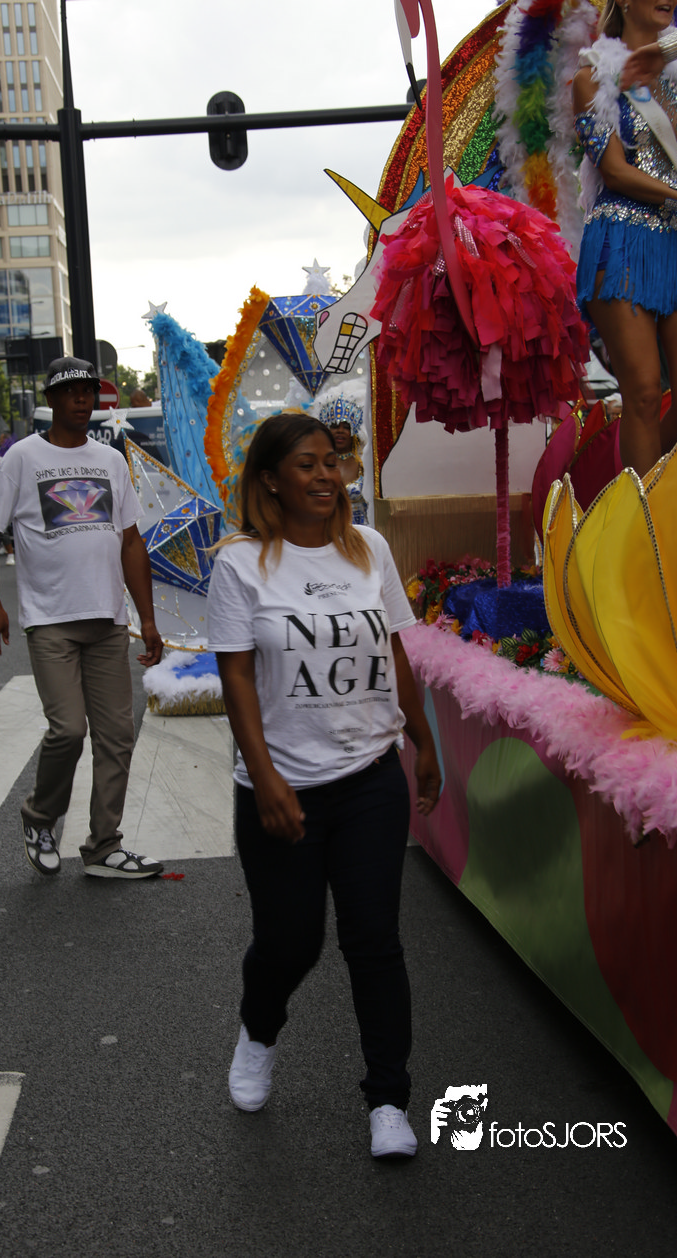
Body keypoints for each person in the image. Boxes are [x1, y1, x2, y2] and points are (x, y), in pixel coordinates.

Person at [206, 411, 441, 1159]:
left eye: (330, 462)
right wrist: (266, 778)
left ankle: (388, 1100)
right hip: (282, 790)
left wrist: (422, 740)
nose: (324, 476)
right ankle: (258, 1030)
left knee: (374, 942)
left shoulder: (369, 548)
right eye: (305, 465)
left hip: (371, 779)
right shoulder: (241, 564)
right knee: (290, 943)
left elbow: (394, 651)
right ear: (270, 479)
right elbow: (236, 678)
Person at [0, 356, 165, 879]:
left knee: (117, 736)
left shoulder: (110, 461)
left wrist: (147, 619)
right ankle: (40, 817)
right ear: (52, 399)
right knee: (67, 730)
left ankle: (104, 846)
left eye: (88, 392)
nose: (82, 400)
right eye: (71, 392)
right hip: (50, 619)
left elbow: (131, 542)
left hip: (107, 618)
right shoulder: (21, 458)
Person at [572, 0, 677, 477]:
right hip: (622, 241)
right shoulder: (591, 78)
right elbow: (615, 172)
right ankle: (644, 517)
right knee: (643, 393)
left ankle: (637, 490)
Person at [317, 393, 369, 525]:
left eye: (346, 427)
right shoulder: (318, 464)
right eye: (335, 426)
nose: (340, 431)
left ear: (354, 431)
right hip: (326, 528)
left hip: (360, 529)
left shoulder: (365, 463)